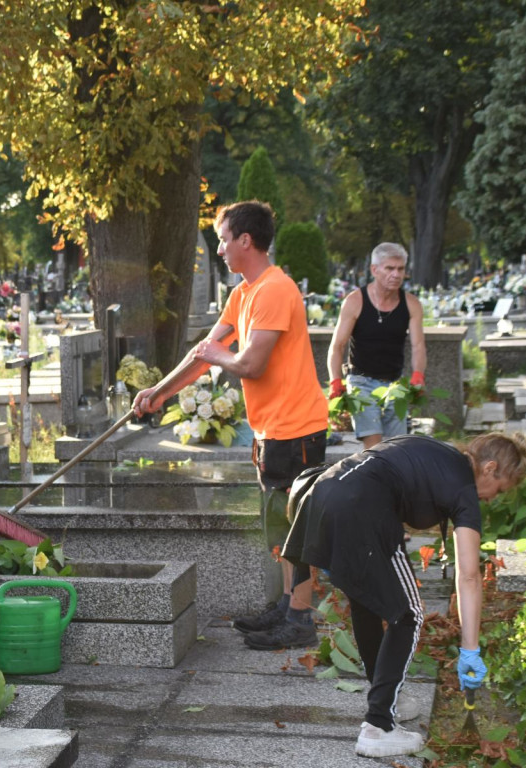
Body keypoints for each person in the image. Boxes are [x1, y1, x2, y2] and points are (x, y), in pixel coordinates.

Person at [133, 200, 328, 651]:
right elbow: (202, 354)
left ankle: (301, 619)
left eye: (222, 239)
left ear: (246, 240)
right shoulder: (243, 293)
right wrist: (159, 393)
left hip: (297, 427)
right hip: (271, 430)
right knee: (279, 525)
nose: (218, 249)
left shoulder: (275, 289)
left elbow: (250, 364)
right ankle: (286, 605)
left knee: (295, 525)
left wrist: (217, 355)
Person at [281, 431, 526, 757]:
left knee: (368, 602)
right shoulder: (463, 486)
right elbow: (469, 576)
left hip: (324, 495)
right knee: (409, 613)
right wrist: (470, 649)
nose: (492, 499)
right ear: (489, 468)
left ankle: (385, 698)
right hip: (360, 509)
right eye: (499, 490)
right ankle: (378, 727)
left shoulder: (431, 449)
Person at [328, 242, 427, 449]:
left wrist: (418, 375)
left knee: (394, 448)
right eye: (389, 268)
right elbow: (337, 345)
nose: (396, 274)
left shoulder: (411, 304)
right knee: (373, 447)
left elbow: (418, 345)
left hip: (394, 383)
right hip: (361, 381)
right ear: (374, 270)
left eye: (400, 269)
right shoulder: (355, 301)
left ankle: (390, 482)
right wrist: (335, 381)